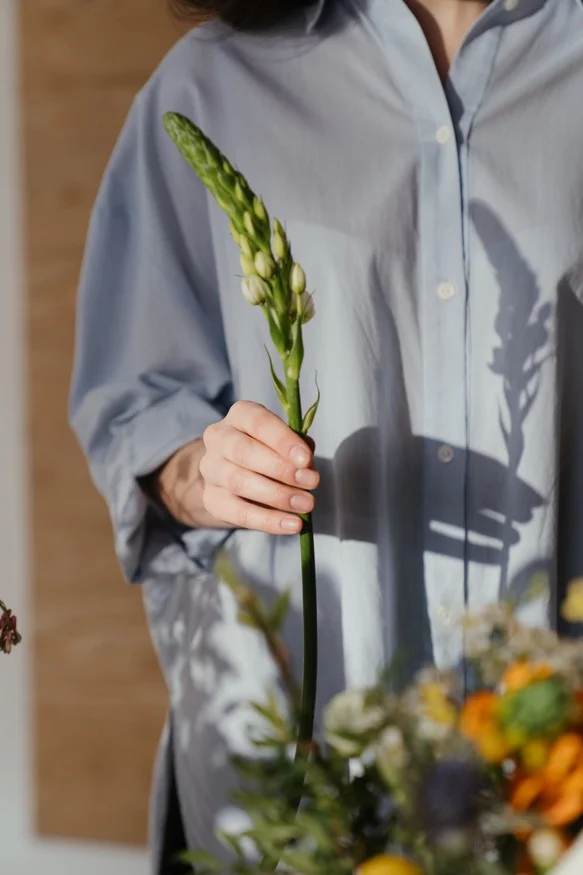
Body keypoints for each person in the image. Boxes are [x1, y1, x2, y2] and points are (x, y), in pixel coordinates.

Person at [70, 0, 583, 871]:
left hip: (550, 773)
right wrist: (201, 469)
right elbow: (134, 405)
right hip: (299, 782)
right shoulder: (215, 81)